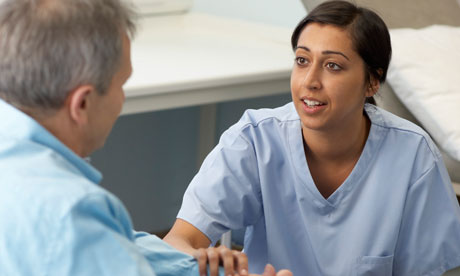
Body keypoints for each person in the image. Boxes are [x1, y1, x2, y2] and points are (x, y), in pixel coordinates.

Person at [164, 1, 460, 275]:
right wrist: (206, 262)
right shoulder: (254, 141)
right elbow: (176, 242)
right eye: (302, 60)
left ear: (371, 81)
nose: (310, 81)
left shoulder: (413, 156)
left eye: (333, 65)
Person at [0, 0, 293, 275]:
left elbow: (125, 243)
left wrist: (195, 267)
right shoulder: (73, 213)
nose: (122, 98)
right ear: (83, 103)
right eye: (121, 84)